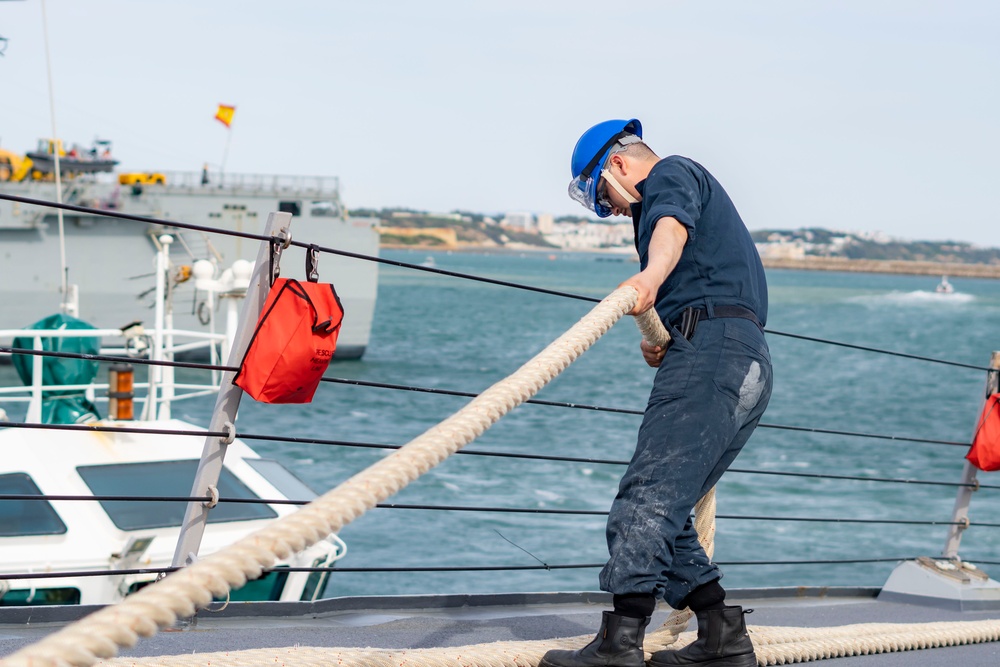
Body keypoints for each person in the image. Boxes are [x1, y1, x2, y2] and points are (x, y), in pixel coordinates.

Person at [540, 119, 772, 667]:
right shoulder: (669, 197)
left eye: (600, 195)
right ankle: (721, 634)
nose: (609, 210)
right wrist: (666, 334)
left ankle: (619, 642)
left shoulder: (669, 175)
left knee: (644, 499)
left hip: (714, 353)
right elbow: (706, 279)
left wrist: (649, 280)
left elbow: (672, 227)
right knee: (669, 511)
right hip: (745, 360)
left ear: (617, 164)